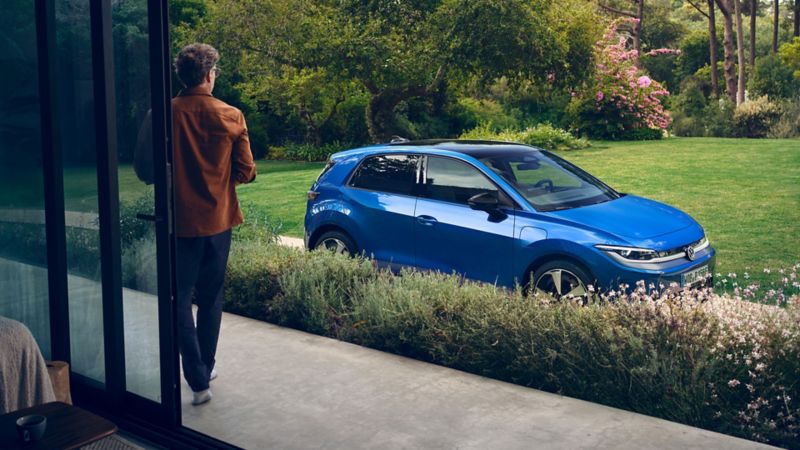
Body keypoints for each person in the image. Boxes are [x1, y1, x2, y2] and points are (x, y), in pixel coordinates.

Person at [137, 43, 257, 405]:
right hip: (219, 223)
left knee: (177, 299)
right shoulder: (232, 115)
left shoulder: (159, 114)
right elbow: (247, 171)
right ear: (209, 75)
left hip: (178, 224)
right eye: (215, 72)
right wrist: (219, 182)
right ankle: (204, 367)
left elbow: (144, 170)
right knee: (210, 298)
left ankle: (197, 378)